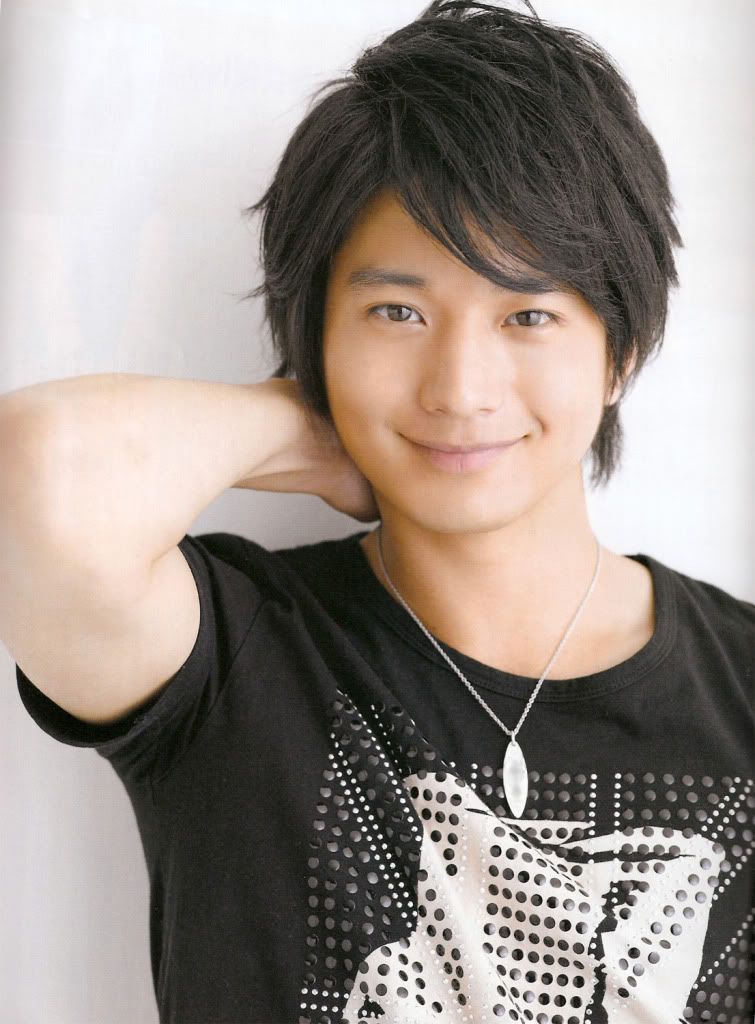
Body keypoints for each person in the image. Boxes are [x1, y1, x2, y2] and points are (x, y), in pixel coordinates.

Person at [1, 1, 752, 1022]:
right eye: (397, 312)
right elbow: (33, 472)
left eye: (526, 314)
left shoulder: (738, 690)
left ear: (618, 351)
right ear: (319, 330)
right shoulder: (237, 660)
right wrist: (307, 427)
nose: (459, 388)